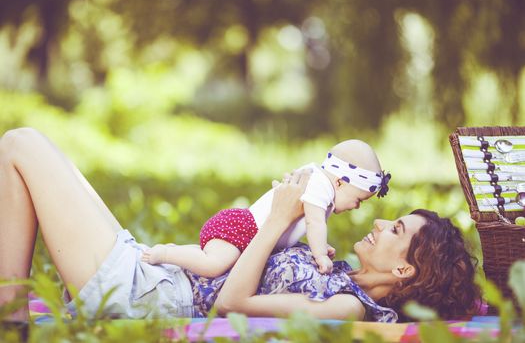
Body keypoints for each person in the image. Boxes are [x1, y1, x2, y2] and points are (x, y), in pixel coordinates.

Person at [0, 128, 480, 325]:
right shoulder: (342, 271)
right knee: (25, 150)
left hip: (148, 294)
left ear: (404, 273)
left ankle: (11, 319)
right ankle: (13, 316)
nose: (379, 221)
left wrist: (274, 221)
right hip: (151, 274)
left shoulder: (348, 307)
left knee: (21, 145)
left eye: (396, 230)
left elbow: (234, 302)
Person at [141, 139, 391, 276]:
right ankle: (166, 254)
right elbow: (315, 223)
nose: (356, 207)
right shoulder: (321, 187)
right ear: (341, 181)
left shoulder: (320, 184)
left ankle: (183, 252)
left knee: (218, 259)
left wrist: (321, 244)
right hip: (242, 230)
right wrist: (320, 255)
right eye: (358, 200)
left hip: (246, 233)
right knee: (213, 266)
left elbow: (300, 225)